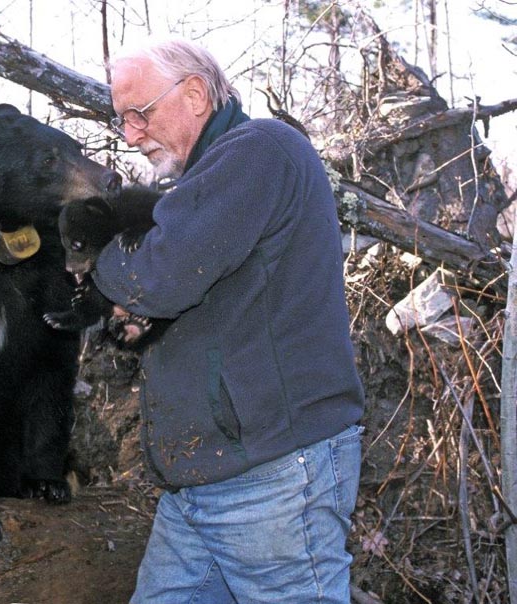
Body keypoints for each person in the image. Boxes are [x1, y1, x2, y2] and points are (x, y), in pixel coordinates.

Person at [91, 39, 366, 603]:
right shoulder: (206, 181)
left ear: (194, 94)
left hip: (275, 478)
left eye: (139, 114)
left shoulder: (259, 150)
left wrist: (88, 246)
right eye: (122, 120)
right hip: (203, 479)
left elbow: (159, 278)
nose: (131, 135)